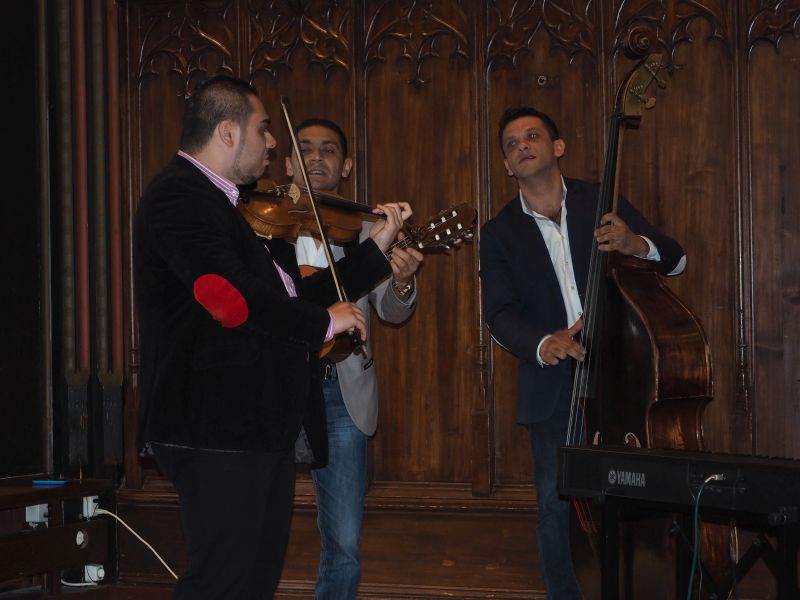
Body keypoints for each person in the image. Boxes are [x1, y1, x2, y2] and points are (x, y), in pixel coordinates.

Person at [132, 75, 412, 600]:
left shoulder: (230, 206)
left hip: (255, 425)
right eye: (264, 129)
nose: (273, 142)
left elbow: (289, 299)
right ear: (228, 132)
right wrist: (323, 324)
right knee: (222, 581)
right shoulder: (179, 197)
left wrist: (373, 252)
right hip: (214, 424)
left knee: (253, 582)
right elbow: (230, 299)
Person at [478, 106, 686, 599]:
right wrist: (545, 342)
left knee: (640, 495)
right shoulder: (499, 232)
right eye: (512, 143)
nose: (522, 146)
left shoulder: (602, 201)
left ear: (558, 147)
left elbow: (676, 260)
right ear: (506, 165)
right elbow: (499, 314)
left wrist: (635, 243)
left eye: (532, 136)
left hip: (625, 377)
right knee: (556, 509)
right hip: (554, 389)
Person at [285, 117, 423, 599]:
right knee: (257, 525)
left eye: (328, 150)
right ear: (287, 164)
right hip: (277, 387)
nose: (315, 157)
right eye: (304, 149)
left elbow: (391, 310)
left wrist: (402, 281)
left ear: (345, 166)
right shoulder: (261, 225)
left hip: (340, 391)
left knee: (344, 541)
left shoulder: (369, 229)